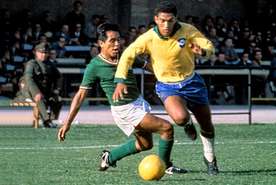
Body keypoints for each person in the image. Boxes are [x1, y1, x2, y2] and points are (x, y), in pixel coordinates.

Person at [57, 23, 186, 175]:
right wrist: (67, 123)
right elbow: (79, 97)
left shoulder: (126, 54)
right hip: (124, 109)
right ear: (101, 43)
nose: (117, 44)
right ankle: (166, 165)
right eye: (112, 41)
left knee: (145, 144)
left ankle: (109, 157)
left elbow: (147, 65)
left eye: (119, 40)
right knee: (166, 128)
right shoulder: (94, 66)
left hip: (138, 102)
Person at [113, 1, 219, 175]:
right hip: (168, 86)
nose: (166, 24)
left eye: (170, 20)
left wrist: (203, 51)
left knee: (207, 125)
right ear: (156, 19)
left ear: (176, 19)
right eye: (162, 20)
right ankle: (186, 123)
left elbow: (208, 46)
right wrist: (120, 80)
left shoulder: (187, 30)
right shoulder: (148, 38)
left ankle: (210, 159)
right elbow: (127, 55)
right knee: (179, 117)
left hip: (192, 83)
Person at [23, 43, 63, 128]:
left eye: (45, 53)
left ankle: (51, 119)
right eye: (41, 52)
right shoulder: (31, 64)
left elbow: (59, 77)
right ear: (36, 53)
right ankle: (46, 121)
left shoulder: (50, 64)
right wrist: (36, 92)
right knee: (39, 98)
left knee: (58, 100)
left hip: (46, 92)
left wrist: (57, 89)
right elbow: (29, 79)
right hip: (31, 92)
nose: (43, 55)